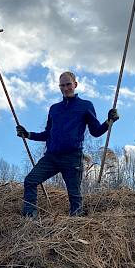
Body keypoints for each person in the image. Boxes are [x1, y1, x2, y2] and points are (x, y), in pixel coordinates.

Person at [16, 71, 119, 217]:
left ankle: (76, 225)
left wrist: (109, 121)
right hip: (51, 157)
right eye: (62, 85)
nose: (65, 88)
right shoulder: (54, 109)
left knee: (75, 197)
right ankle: (29, 219)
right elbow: (47, 134)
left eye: (68, 84)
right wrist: (28, 135)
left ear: (75, 84)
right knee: (30, 181)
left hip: (72, 157)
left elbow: (95, 132)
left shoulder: (85, 106)